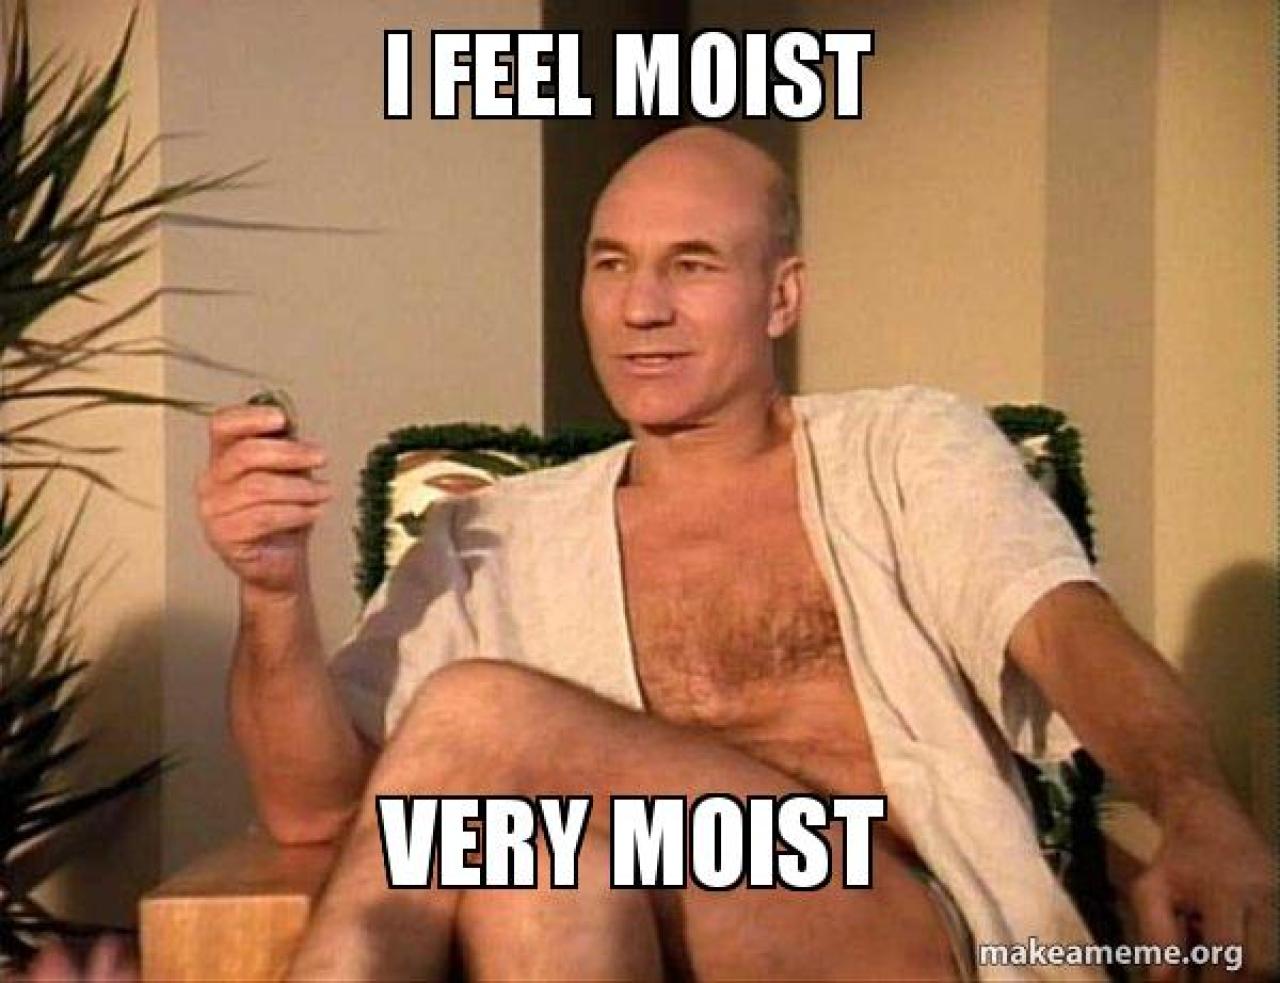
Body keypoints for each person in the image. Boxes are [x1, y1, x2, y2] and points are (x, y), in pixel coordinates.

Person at [197, 127, 1275, 981]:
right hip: (625, 935)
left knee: (476, 711)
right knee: (538, 868)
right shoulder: (491, 535)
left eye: (692, 265)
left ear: (781, 295)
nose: (641, 308)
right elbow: (311, 807)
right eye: (610, 264)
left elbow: (1066, 630)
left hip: (891, 932)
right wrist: (272, 591)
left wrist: (1196, 803)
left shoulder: (902, 447)